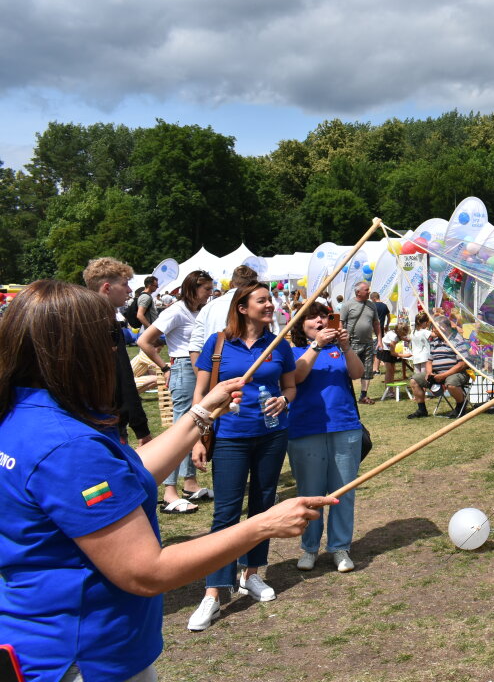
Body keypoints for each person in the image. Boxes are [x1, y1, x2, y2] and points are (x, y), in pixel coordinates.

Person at [0, 280, 334, 682]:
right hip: (86, 657)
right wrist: (263, 525)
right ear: (76, 350)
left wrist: (202, 413)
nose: (116, 349)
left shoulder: (22, 416)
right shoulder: (68, 447)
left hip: (38, 639)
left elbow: (130, 474)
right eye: (110, 337)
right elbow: (145, 571)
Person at [188, 282, 297, 631]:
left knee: (263, 505)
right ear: (242, 307)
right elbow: (200, 395)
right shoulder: (218, 343)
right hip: (230, 437)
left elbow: (290, 386)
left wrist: (285, 400)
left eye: (271, 300)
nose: (270, 305)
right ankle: (214, 591)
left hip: (272, 435)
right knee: (226, 512)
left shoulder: (278, 344)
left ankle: (251, 573)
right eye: (262, 300)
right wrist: (198, 437)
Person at [288, 302, 365, 573]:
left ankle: (340, 547)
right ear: (300, 324)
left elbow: (357, 373)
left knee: (343, 492)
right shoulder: (293, 351)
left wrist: (346, 347)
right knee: (310, 493)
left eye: (324, 315)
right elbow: (297, 376)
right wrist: (317, 345)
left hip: (344, 427)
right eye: (312, 317)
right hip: (305, 429)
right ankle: (309, 548)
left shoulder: (338, 350)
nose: (320, 321)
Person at [136, 270, 216, 512]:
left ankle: (190, 484)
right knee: (181, 430)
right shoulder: (176, 311)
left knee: (195, 426)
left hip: (198, 367)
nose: (210, 293)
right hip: (183, 367)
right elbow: (144, 341)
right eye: (206, 289)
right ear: (192, 288)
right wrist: (164, 367)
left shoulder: (199, 311)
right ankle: (169, 492)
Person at [83, 257, 152, 447]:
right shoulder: (106, 324)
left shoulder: (78, 320)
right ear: (107, 288)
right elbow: (123, 377)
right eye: (124, 284)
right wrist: (141, 428)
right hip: (107, 421)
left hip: (82, 419)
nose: (129, 290)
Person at [188, 264, 259, 365]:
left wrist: (200, 374)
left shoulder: (209, 307)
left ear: (230, 284)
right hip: (252, 364)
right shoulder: (259, 306)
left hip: (215, 367)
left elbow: (194, 347)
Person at [341, 281, 384, 404]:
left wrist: (379, 340)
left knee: (367, 369)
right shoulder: (348, 305)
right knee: (348, 370)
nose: (369, 292)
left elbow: (376, 323)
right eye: (366, 290)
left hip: (368, 343)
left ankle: (363, 396)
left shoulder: (371, 305)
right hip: (352, 343)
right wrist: (343, 339)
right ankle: (346, 395)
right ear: (358, 292)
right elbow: (340, 322)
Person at [406, 311, 434, 418]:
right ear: (424, 322)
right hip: (424, 356)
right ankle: (424, 396)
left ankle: (417, 396)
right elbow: (435, 334)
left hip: (416, 357)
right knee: (423, 378)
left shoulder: (413, 332)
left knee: (416, 378)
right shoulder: (424, 331)